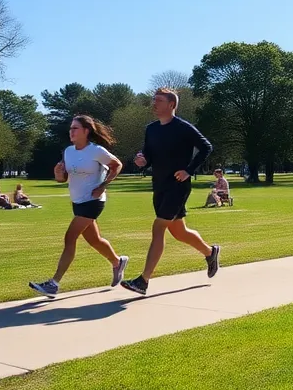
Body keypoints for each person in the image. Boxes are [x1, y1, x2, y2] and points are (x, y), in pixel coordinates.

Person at [120, 88, 220, 296]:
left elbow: (206, 147)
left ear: (171, 105)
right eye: (153, 100)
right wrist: (142, 161)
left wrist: (188, 171)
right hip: (159, 186)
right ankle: (210, 252)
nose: (154, 104)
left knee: (158, 228)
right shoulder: (151, 129)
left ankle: (143, 280)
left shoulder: (183, 128)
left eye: (158, 100)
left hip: (177, 186)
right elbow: (147, 154)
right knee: (179, 232)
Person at [29, 115, 129, 297]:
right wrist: (57, 174)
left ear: (86, 131)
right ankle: (117, 262)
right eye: (70, 128)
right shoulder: (68, 151)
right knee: (94, 240)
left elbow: (117, 165)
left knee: (70, 237)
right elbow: (63, 178)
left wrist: (102, 186)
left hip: (93, 201)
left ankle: (54, 283)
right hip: (77, 202)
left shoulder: (96, 151)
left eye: (75, 128)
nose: (71, 131)